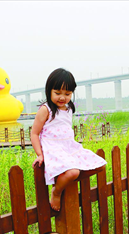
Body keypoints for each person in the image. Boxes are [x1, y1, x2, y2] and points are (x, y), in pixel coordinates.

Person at [31, 68, 106, 211]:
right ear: (49, 91)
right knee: (73, 172)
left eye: (67, 94)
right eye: (57, 93)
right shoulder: (46, 109)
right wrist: (40, 154)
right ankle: (57, 191)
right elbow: (34, 133)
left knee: (100, 165)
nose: (62, 97)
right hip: (53, 148)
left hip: (69, 147)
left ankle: (65, 179)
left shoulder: (69, 108)